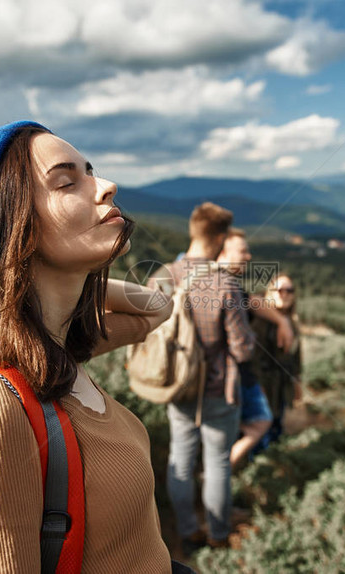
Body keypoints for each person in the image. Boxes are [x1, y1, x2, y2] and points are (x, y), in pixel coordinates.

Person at [0, 121, 182, 572]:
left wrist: (65, 285)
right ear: (11, 226)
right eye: (66, 181)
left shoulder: (55, 353)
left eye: (90, 171)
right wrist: (18, 281)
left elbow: (156, 309)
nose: (107, 186)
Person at [153, 203, 255, 554]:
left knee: (180, 459)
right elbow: (242, 351)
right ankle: (218, 532)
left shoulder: (162, 276)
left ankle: (186, 531)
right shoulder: (225, 284)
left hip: (177, 386)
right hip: (216, 390)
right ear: (220, 238)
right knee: (217, 463)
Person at [215, 229, 294, 467]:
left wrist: (282, 321)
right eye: (242, 251)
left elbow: (250, 300)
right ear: (222, 252)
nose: (248, 256)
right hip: (231, 377)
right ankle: (220, 477)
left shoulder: (228, 284)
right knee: (259, 421)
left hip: (231, 378)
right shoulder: (222, 284)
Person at [253, 273, 303, 445]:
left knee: (276, 424)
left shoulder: (293, 322)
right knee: (261, 427)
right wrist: (258, 386)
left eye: (289, 290)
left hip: (282, 385)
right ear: (270, 292)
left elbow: (296, 356)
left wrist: (297, 381)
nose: (284, 294)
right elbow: (255, 358)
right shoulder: (261, 321)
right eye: (279, 289)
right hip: (263, 384)